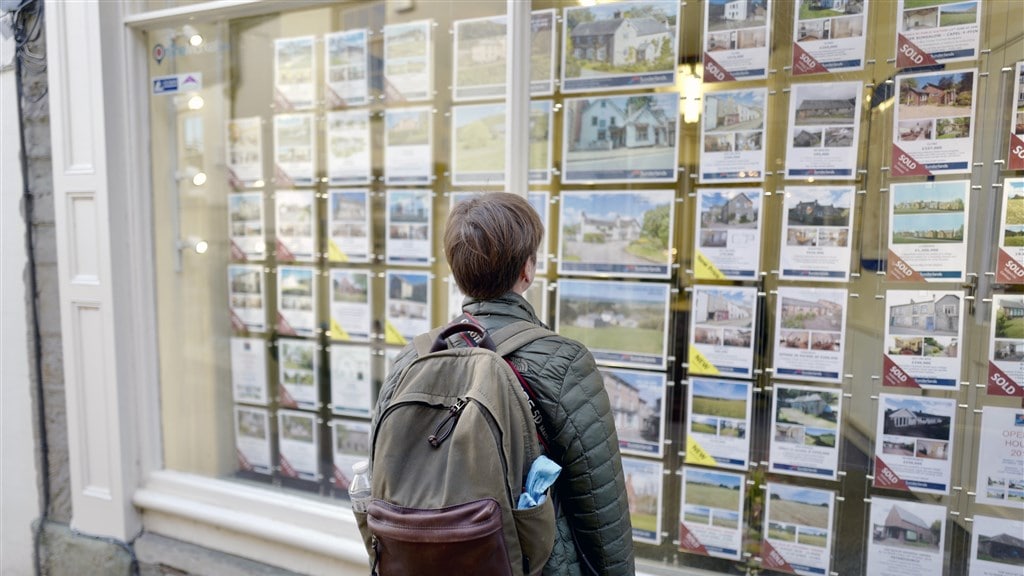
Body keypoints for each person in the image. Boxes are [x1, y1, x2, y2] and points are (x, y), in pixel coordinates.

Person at [373, 192, 635, 575]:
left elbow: (379, 485)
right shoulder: (563, 363)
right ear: (527, 270)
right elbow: (602, 511)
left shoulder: (412, 360)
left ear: (456, 271)